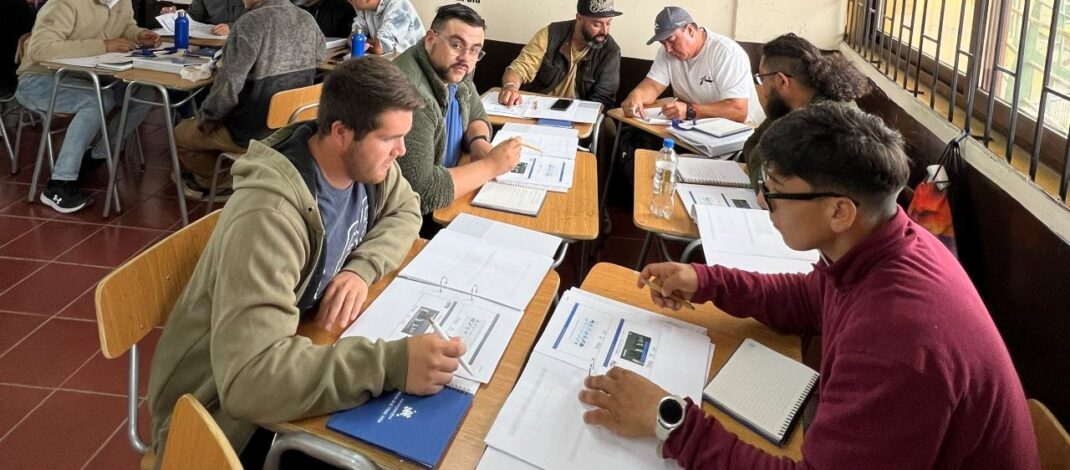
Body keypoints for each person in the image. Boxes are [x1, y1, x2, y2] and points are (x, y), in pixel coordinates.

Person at [578, 103, 1040, 469]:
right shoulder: (884, 243)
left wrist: (668, 420)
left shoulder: (899, 338)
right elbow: (810, 297)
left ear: (840, 211)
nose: (763, 201)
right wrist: (704, 279)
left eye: (775, 191)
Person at [148, 57, 467, 463]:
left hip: (296, 346)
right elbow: (250, 382)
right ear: (340, 133)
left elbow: (407, 208)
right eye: (391, 139)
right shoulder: (270, 216)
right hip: (220, 419)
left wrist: (360, 268)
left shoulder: (367, 167)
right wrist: (392, 364)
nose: (402, 151)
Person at [15, 0, 160, 213]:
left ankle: (97, 156)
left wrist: (140, 35)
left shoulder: (122, 2)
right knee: (99, 100)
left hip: (87, 77)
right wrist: (104, 45)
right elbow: (39, 49)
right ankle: (59, 184)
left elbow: (126, 27)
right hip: (40, 80)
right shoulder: (64, 3)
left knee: (144, 92)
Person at [174, 0, 325, 201]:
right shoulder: (307, 19)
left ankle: (219, 183)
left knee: (179, 134)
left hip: (251, 132)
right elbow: (318, 59)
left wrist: (206, 119)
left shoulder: (249, 23)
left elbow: (227, 88)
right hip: (295, 126)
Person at [393, 3, 521, 220]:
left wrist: (478, 142)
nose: (466, 58)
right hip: (415, 219)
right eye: (456, 45)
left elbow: (475, 112)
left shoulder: (455, 68)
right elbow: (421, 192)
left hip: (453, 187)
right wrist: (490, 166)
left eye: (475, 50)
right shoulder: (412, 96)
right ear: (430, 39)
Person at [742, 33, 871, 188]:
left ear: (782, 81)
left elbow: (766, 185)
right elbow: (752, 143)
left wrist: (762, 163)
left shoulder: (820, 121)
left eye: (762, 79)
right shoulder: (792, 104)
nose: (762, 89)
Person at [621, 6, 764, 124]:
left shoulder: (727, 53)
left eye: (671, 40)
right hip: (697, 127)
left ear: (689, 30)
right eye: (663, 43)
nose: (668, 49)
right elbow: (652, 86)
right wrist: (636, 96)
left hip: (743, 133)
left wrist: (690, 110)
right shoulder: (666, 53)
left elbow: (738, 110)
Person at [497, 0, 622, 109]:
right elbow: (520, 68)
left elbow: (602, 100)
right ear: (579, 18)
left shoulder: (611, 52)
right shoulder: (551, 34)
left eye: (608, 23)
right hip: (538, 108)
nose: (604, 31)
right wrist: (510, 86)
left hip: (579, 113)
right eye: (597, 24)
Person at [347, 0, 425, 55]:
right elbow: (353, 36)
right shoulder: (365, 9)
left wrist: (359, 42)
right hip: (389, 60)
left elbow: (380, 48)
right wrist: (358, 40)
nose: (348, 1)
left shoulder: (398, 4)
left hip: (410, 65)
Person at [161, 0, 246, 36]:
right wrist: (175, 15)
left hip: (243, 39)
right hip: (212, 39)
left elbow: (258, 19)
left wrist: (231, 27)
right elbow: (194, 15)